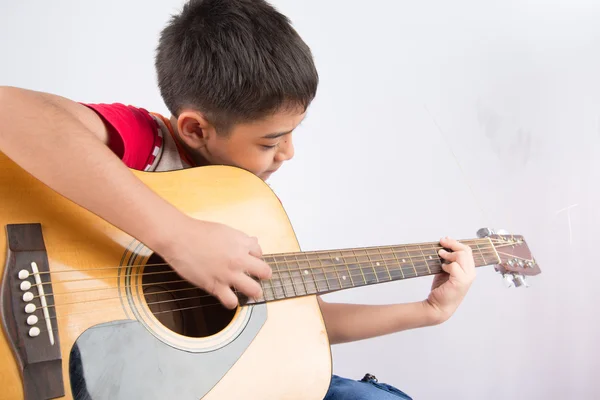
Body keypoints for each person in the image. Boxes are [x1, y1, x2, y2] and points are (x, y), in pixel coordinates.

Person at [0, 0, 476, 398]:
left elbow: (290, 326)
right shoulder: (148, 144)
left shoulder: (244, 205)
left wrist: (427, 311)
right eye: (270, 141)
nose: (289, 153)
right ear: (195, 129)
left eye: (292, 135)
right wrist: (178, 237)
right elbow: (10, 111)